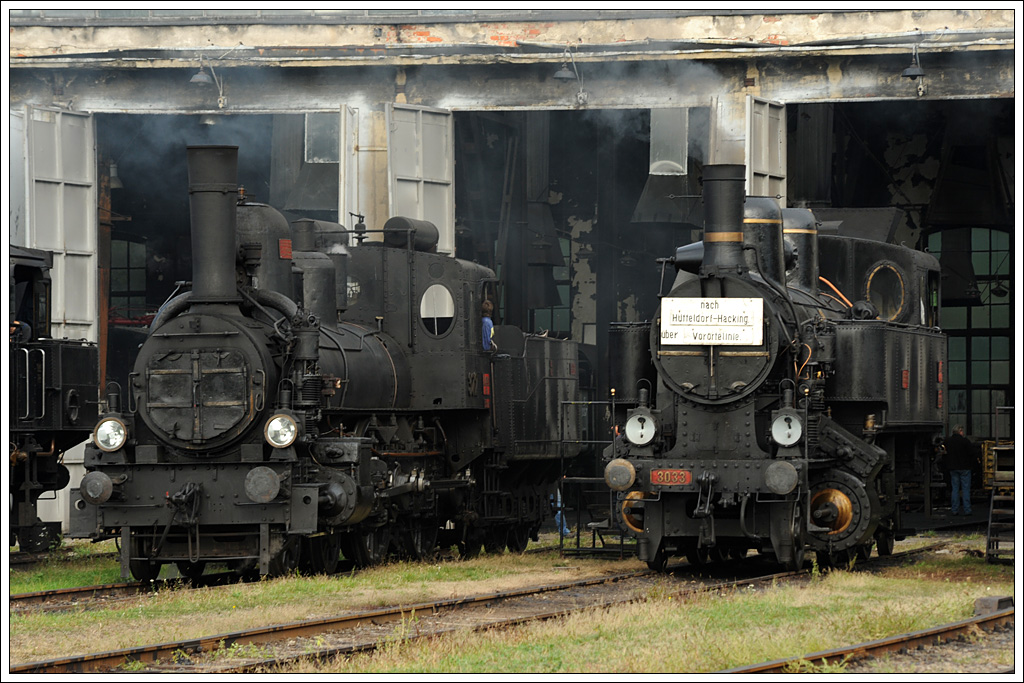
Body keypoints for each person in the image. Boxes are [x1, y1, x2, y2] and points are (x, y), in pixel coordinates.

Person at [943, 424, 975, 516]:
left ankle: (954, 509)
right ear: (960, 431)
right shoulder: (965, 441)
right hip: (965, 468)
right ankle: (967, 509)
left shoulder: (948, 441)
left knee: (955, 489)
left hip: (953, 468)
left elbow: (944, 453)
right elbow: (971, 453)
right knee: (965, 489)